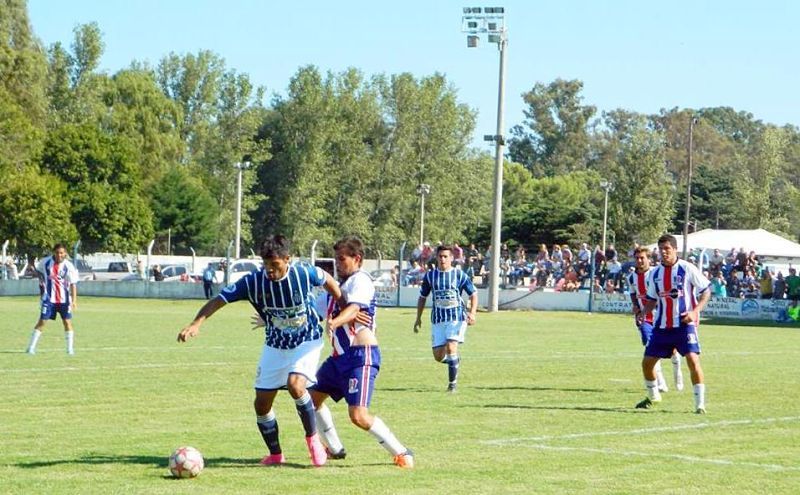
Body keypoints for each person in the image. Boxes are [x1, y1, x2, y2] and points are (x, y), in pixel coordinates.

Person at [177, 235, 342, 467]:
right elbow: (219, 299)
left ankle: (313, 441)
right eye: (266, 265)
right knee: (261, 404)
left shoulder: (304, 273)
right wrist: (196, 323)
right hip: (275, 344)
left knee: (296, 385)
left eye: (275, 265)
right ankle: (275, 454)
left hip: (307, 340)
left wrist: (340, 309)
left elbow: (330, 282)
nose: (270, 271)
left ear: (288, 259)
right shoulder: (253, 281)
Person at [309, 236, 414, 468]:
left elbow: (354, 309)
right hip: (338, 359)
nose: (338, 263)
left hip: (361, 356)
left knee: (358, 416)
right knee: (310, 399)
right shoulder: (334, 289)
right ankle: (335, 449)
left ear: (357, 259)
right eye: (336, 259)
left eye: (342, 258)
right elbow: (310, 314)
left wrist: (335, 322)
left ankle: (402, 452)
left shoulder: (361, 280)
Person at [636, 234, 711, 414]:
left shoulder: (687, 268)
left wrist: (695, 311)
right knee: (647, 364)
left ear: (675, 249)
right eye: (661, 250)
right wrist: (643, 312)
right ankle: (654, 396)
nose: (663, 253)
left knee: (693, 360)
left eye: (667, 249)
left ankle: (699, 404)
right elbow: (652, 299)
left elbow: (706, 291)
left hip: (684, 325)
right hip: (662, 327)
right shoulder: (654, 273)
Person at [413, 244, 478, 393]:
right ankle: (454, 361)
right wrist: (418, 318)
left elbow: (473, 293)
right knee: (438, 356)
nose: (443, 259)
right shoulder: (430, 276)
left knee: (451, 346)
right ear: (436, 258)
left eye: (446, 256)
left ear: (452, 258)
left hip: (456, 317)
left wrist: (472, 313)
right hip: (438, 319)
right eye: (440, 256)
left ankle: (452, 385)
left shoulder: (459, 275)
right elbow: (422, 297)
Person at [627, 247, 683, 394]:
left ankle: (677, 370)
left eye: (642, 258)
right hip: (644, 318)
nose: (639, 261)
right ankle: (661, 383)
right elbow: (633, 294)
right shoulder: (631, 277)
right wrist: (635, 307)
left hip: (661, 317)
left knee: (672, 350)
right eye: (637, 258)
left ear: (649, 259)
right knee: (650, 349)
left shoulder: (656, 273)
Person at [25, 243, 79, 355]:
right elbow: (39, 273)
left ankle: (70, 349)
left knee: (67, 322)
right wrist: (42, 289)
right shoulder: (45, 262)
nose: (60, 255)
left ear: (65, 254)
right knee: (42, 322)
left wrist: (74, 301)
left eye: (62, 253)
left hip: (64, 300)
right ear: (54, 252)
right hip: (49, 299)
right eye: (57, 252)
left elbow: (73, 284)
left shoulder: (68, 266)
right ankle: (31, 348)